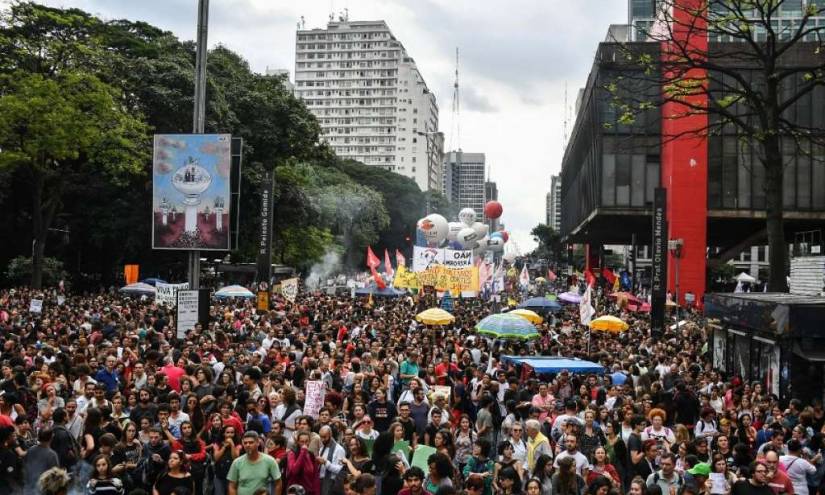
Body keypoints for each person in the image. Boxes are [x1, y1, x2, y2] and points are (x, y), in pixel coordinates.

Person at [23, 428, 59, 495]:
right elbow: (55, 475)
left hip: (29, 488)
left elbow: (25, 468)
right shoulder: (52, 455)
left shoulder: (31, 449)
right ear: (51, 438)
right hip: (43, 490)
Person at [286, 430, 317, 495]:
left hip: (308, 491)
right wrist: (303, 452)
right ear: (298, 442)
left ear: (310, 441)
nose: (304, 444)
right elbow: (294, 471)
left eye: (306, 441)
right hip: (295, 491)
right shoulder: (292, 453)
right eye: (302, 442)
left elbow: (314, 475)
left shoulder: (311, 455)